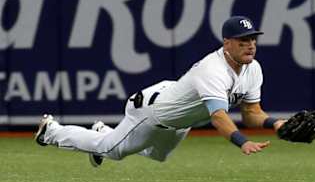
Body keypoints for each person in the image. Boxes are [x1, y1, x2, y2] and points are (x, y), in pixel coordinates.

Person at [34, 16, 286, 167]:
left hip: (178, 118)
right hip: (152, 111)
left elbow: (252, 112)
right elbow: (218, 116)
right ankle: (51, 131)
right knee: (110, 150)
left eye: (253, 39)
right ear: (227, 43)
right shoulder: (213, 69)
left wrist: (276, 124)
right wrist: (242, 142)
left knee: (158, 156)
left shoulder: (253, 69)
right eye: (243, 41)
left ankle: (107, 131)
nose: (250, 45)